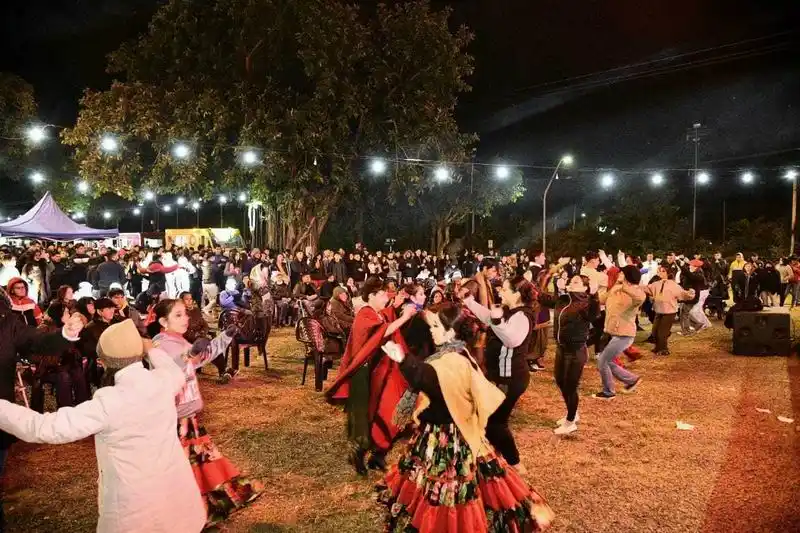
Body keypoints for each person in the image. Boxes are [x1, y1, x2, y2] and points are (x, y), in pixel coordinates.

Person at [0, 319, 206, 533]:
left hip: (134, 508)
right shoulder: (163, 381)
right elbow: (173, 370)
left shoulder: (108, 403)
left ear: (103, 362)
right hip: (177, 496)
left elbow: (44, 427)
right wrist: (151, 350)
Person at [377, 305, 554, 533]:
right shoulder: (455, 353)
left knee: (448, 483)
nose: (432, 331)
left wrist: (404, 360)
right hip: (446, 428)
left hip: (449, 434)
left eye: (437, 326)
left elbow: (429, 381)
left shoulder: (452, 360)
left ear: (452, 332)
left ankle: (449, 524)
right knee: (439, 473)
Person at [151, 299, 263, 526]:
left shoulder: (179, 339)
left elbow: (204, 356)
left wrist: (226, 335)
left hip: (189, 414)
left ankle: (214, 499)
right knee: (186, 466)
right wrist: (188, 355)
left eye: (185, 314)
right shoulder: (159, 344)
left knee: (202, 461)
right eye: (178, 315)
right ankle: (193, 510)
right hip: (176, 416)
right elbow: (168, 369)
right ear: (164, 321)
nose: (186, 319)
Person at [325, 277, 417, 475]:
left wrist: (396, 306)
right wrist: (405, 316)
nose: (386, 297)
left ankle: (376, 455)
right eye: (383, 294)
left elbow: (383, 318)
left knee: (378, 411)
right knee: (363, 415)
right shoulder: (364, 314)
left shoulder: (373, 312)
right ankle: (358, 453)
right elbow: (382, 331)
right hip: (361, 373)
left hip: (372, 371)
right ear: (372, 296)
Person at [462, 276, 537, 474]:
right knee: (489, 419)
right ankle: (495, 458)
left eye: (504, 289)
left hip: (510, 378)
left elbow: (512, 339)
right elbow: (488, 317)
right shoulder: (509, 311)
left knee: (495, 421)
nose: (500, 292)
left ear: (517, 294)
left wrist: (496, 320)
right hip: (501, 376)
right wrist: (469, 301)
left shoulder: (522, 316)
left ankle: (515, 463)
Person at [537, 274, 600, 435]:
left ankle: (570, 422)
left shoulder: (586, 303)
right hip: (561, 348)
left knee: (570, 387)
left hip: (576, 351)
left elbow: (594, 315)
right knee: (560, 382)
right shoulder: (563, 299)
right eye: (572, 280)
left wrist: (594, 295)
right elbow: (541, 298)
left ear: (585, 287)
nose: (572, 282)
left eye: (577, 281)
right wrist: (549, 278)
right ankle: (573, 412)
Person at [593, 265, 644, 399]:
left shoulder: (636, 291)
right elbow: (602, 299)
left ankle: (608, 392)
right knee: (606, 360)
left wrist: (624, 287)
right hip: (611, 331)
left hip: (624, 334)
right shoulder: (616, 287)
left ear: (627, 276)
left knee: (603, 361)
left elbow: (640, 298)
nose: (618, 274)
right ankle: (631, 380)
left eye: (621, 273)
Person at [644, 266, 695, 356]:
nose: (661, 272)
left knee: (662, 332)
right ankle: (658, 347)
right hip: (658, 311)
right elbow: (646, 288)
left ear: (668, 273)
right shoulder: (656, 284)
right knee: (655, 331)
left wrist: (690, 293)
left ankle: (664, 349)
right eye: (659, 271)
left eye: (663, 271)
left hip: (669, 312)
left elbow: (683, 294)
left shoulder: (673, 285)